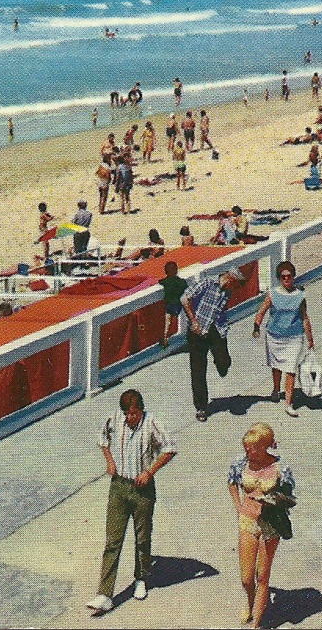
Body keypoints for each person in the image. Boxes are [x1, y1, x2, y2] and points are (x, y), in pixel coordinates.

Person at [86, 389, 177, 615]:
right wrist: (109, 461)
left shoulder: (152, 423)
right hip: (118, 487)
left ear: (141, 410)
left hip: (142, 488)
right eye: (127, 414)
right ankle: (105, 594)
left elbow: (170, 448)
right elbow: (102, 438)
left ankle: (141, 578)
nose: (130, 418)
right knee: (113, 541)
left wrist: (150, 471)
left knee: (142, 536)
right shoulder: (115, 419)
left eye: (134, 413)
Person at [229, 423, 296, 627]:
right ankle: (250, 602)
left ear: (264, 446)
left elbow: (290, 499)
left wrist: (268, 497)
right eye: (246, 447)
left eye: (252, 447)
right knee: (247, 578)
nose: (247, 451)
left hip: (270, 525)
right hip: (248, 521)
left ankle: (257, 623)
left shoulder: (280, 468)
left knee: (262, 576)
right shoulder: (241, 464)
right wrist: (239, 506)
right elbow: (232, 482)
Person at [181, 267, 246, 420]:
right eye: (236, 286)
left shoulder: (227, 291)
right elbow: (185, 298)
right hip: (197, 332)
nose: (236, 289)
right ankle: (201, 407)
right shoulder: (208, 282)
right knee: (198, 371)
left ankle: (222, 365)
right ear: (230, 279)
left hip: (215, 330)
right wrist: (194, 321)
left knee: (224, 362)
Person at [252, 262, 315, 417]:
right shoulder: (272, 294)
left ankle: (288, 403)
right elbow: (261, 312)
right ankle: (275, 389)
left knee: (291, 369)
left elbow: (304, 317)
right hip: (274, 336)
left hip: (294, 337)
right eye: (283, 277)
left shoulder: (300, 295)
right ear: (279, 278)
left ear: (293, 277)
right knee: (276, 366)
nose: (286, 279)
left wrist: (310, 339)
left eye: (289, 276)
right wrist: (256, 326)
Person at [160, 261, 187, 346]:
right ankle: (166, 336)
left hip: (169, 303)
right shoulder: (181, 282)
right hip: (178, 304)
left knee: (168, 320)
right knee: (171, 321)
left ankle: (165, 337)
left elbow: (161, 282)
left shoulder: (165, 281)